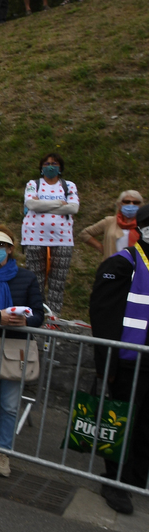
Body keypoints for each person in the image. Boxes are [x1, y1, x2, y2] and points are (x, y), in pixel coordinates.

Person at [89, 203, 149, 515]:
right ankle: (114, 481)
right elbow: (104, 318)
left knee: (145, 426)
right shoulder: (123, 264)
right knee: (121, 422)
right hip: (128, 363)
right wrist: (107, 366)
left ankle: (136, 478)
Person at [0, 226, 43, 477]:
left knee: (10, 405)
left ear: (11, 249)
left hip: (15, 347)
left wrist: (25, 320)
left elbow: (38, 313)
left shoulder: (27, 278)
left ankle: (4, 453)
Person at [21, 152, 78, 314]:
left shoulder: (69, 186)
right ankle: (38, 313)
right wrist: (60, 203)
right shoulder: (33, 184)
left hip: (63, 239)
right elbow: (32, 205)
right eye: (46, 164)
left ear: (60, 167)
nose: (50, 166)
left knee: (57, 282)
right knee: (35, 280)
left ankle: (54, 317)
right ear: (41, 168)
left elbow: (73, 208)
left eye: (54, 163)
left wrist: (43, 205)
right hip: (33, 237)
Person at [81, 190, 143, 259]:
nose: (131, 205)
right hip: (114, 263)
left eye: (135, 202)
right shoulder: (109, 221)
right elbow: (85, 234)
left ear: (140, 206)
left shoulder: (144, 224)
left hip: (138, 263)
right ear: (119, 205)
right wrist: (102, 248)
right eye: (127, 202)